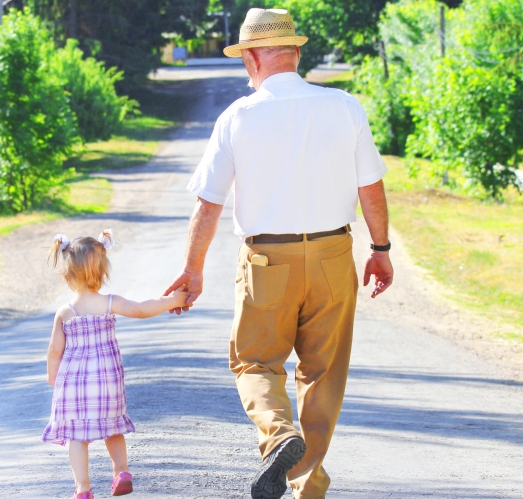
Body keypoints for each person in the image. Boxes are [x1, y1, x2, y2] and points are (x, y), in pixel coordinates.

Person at [163, 8, 394, 499]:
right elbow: (370, 188)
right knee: (323, 372)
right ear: (294, 52)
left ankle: (279, 435)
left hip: (267, 261)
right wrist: (380, 249)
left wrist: (191, 271)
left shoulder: (238, 117)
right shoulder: (344, 106)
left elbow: (208, 206)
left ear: (251, 58)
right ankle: (307, 482)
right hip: (333, 254)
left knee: (256, 364)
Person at [42, 230, 189, 499]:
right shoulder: (110, 303)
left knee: (77, 437)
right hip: (107, 381)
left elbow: (54, 350)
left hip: (74, 385)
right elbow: (143, 309)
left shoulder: (65, 313)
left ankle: (83, 489)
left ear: (68, 275)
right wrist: (174, 300)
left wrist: (53, 379)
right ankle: (121, 472)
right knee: (113, 428)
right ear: (103, 270)